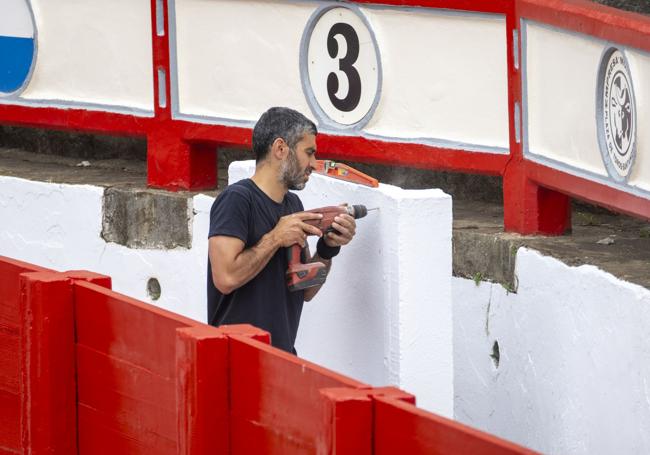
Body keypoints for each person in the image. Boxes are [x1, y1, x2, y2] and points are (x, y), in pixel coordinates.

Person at [207, 107, 357, 354]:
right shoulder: (236, 199)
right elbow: (225, 278)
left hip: (281, 358)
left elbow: (304, 289)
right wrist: (276, 237)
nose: (313, 164)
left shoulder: (292, 205)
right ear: (280, 148)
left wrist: (329, 248)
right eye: (309, 153)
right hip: (235, 358)